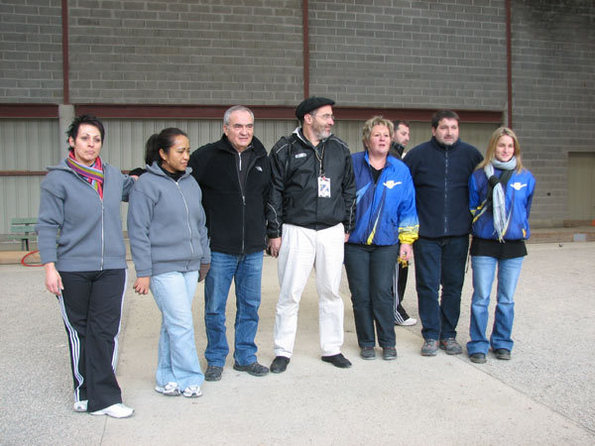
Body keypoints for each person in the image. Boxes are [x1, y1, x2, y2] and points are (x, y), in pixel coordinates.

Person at [36, 115, 135, 418]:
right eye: (84, 138)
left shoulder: (113, 176)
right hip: (72, 268)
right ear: (72, 141)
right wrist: (50, 267)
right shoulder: (57, 179)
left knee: (104, 331)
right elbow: (47, 225)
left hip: (111, 267)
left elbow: (140, 188)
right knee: (79, 331)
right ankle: (84, 391)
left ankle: (103, 397)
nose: (91, 144)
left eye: (96, 139)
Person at [267, 96, 356, 373]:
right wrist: (274, 231)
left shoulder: (340, 148)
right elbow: (273, 192)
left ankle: (332, 349)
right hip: (297, 230)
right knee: (289, 294)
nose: (332, 121)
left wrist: (346, 226)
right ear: (308, 118)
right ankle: (283, 351)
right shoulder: (284, 149)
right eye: (326, 116)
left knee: (331, 292)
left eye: (331, 116)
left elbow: (349, 189)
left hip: (331, 231)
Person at [188, 106, 271, 382]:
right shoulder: (205, 157)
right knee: (215, 307)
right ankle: (215, 358)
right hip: (219, 247)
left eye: (249, 126)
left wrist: (272, 232)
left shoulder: (262, 157)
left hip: (253, 248)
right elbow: (179, 177)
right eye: (238, 126)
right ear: (225, 128)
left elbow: (270, 197)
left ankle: (245, 357)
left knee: (250, 305)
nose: (244, 131)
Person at [127, 128, 210, 398]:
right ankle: (190, 377)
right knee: (182, 322)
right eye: (180, 151)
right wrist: (143, 272)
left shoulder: (190, 183)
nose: (187, 156)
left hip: (189, 265)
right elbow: (138, 230)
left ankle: (166, 377)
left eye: (187, 150)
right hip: (162, 266)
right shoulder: (146, 185)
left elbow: (200, 224)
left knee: (173, 322)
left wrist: (204, 257)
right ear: (163, 154)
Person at [403, 110, 483, 356]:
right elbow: (406, 196)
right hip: (426, 235)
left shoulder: (472, 156)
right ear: (433, 129)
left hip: (458, 234)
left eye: (454, 128)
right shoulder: (417, 157)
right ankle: (430, 335)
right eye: (444, 127)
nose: (449, 132)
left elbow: (481, 192)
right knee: (427, 286)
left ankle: (448, 334)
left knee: (453, 286)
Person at [344, 116, 418, 361]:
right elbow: (339, 200)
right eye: (377, 135)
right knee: (361, 295)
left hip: (387, 243)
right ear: (367, 140)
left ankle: (388, 342)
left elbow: (408, 208)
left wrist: (407, 241)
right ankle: (366, 342)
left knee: (383, 293)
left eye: (386, 135)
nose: (383, 139)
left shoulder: (400, 170)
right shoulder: (352, 164)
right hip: (354, 244)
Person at [466, 127, 535, 363]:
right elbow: (473, 207)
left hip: (513, 246)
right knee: (481, 298)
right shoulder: (478, 176)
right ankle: (477, 344)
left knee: (506, 298)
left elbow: (525, 209)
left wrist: (517, 227)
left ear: (515, 149)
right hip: (485, 243)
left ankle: (502, 342)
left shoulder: (525, 177)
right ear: (493, 147)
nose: (505, 150)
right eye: (501, 145)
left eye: (509, 146)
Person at [389, 119, 417, 326]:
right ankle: (395, 310)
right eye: (403, 133)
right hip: (396, 226)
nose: (407, 138)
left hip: (401, 224)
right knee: (399, 269)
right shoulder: (393, 158)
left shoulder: (401, 157)